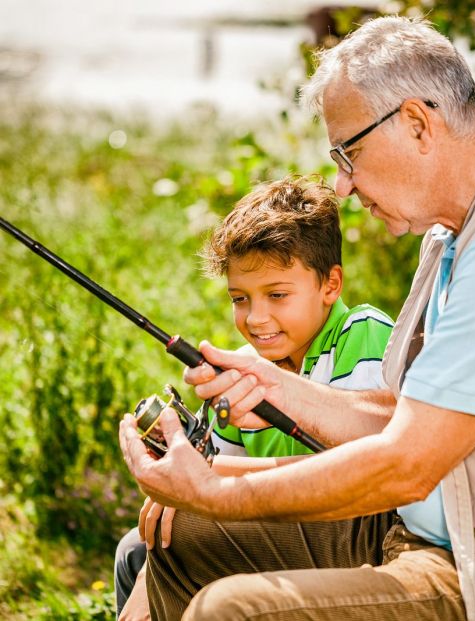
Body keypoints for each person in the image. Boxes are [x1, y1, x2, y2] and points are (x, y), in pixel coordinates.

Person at [120, 15, 475, 621]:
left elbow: (407, 463)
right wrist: (273, 385)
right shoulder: (463, 228)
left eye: (349, 151)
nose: (344, 184)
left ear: (417, 122)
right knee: (183, 541)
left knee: (234, 611)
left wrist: (220, 490)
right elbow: (405, 416)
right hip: (443, 529)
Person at [114, 175, 395, 618]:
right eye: (239, 299)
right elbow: (217, 466)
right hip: (286, 517)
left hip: (357, 525)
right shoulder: (242, 368)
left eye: (277, 295)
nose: (256, 317)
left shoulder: (361, 332)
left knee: (182, 528)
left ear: (330, 285)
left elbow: (359, 467)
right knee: (139, 546)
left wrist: (197, 483)